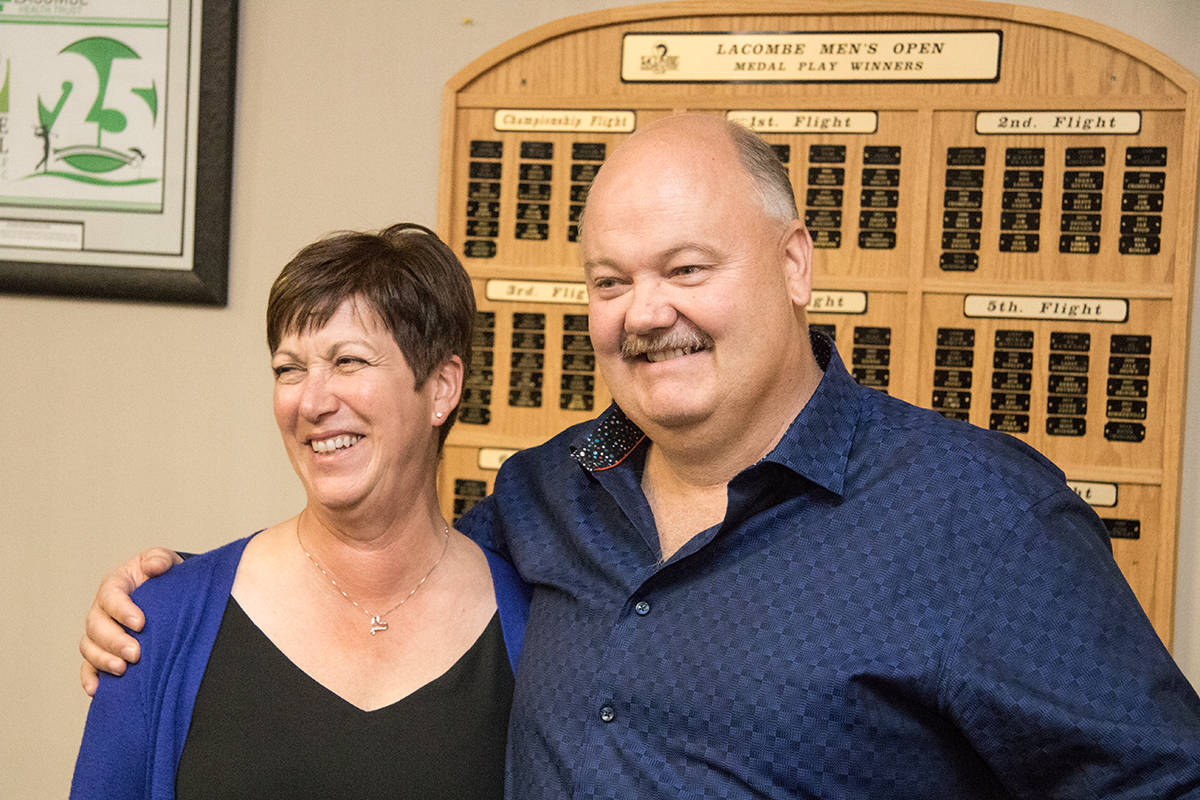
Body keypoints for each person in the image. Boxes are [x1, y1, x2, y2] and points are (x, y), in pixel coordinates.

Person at [81, 116, 1200, 798]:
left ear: (796, 263)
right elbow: (384, 564)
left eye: (687, 268)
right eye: (611, 282)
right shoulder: (546, 498)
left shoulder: (976, 515)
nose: (645, 312)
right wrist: (182, 595)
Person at [71, 223, 529, 799]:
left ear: (441, 387)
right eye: (289, 369)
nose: (310, 401)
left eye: (349, 361)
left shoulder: (536, 631)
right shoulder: (157, 622)